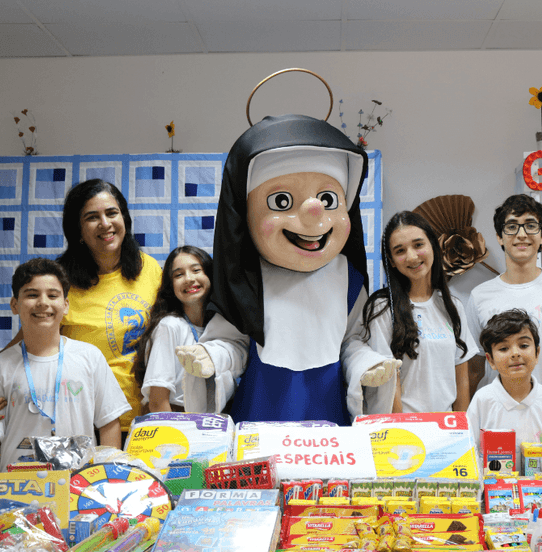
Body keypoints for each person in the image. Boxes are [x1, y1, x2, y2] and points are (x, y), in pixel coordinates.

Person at [176, 114, 398, 423]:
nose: (313, 211)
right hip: (261, 412)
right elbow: (235, 343)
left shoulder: (346, 277)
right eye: (281, 201)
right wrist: (212, 357)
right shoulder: (247, 276)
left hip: (327, 414)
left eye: (328, 198)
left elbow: (351, 342)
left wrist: (367, 365)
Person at [0, 179, 162, 434]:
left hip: (150, 420)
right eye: (92, 217)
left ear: (124, 218)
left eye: (112, 213)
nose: (105, 224)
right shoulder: (60, 282)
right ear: (77, 230)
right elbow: (26, 340)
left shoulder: (150, 269)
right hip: (88, 422)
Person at [0, 259, 130, 472]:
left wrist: (106, 478)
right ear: (15, 305)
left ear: (65, 305)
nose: (42, 302)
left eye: (52, 295)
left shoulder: (90, 357)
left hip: (79, 484)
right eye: (32, 295)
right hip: (18, 485)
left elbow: (109, 423)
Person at [466, 194, 542, 432]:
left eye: (530, 226)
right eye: (512, 227)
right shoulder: (480, 296)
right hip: (496, 420)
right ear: (500, 237)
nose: (521, 234)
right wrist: (462, 419)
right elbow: (474, 368)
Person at [361, 211, 479, 414]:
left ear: (433, 246)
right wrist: (405, 428)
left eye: (418, 245)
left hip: (446, 427)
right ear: (391, 260)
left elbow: (461, 380)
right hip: (404, 427)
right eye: (400, 250)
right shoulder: (382, 308)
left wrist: (460, 426)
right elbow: (389, 385)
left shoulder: (453, 307)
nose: (412, 256)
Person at [467, 309, 542, 472]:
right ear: (490, 360)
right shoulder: (482, 400)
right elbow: (469, 455)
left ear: (537, 353)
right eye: (504, 348)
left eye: (523, 345)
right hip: (494, 486)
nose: (515, 354)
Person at [132, 246, 213, 413]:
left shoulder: (219, 327)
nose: (189, 279)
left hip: (211, 421)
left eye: (196, 270)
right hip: (177, 420)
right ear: (171, 286)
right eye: (178, 275)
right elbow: (157, 403)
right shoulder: (169, 326)